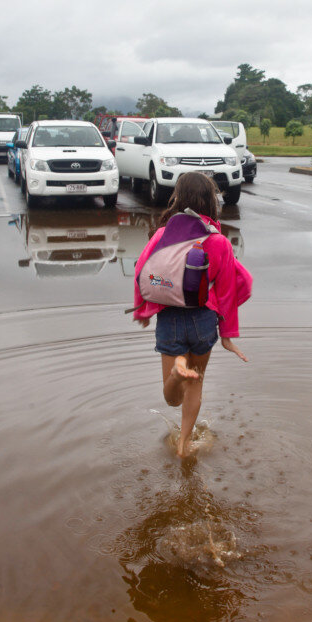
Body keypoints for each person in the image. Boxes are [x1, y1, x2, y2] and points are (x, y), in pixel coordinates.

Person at [133, 172, 252, 458]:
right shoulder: (219, 242)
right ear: (211, 201)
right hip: (203, 321)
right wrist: (227, 336)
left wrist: (143, 309)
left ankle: (177, 370)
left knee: (172, 397)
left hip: (170, 319)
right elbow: (227, 293)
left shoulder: (163, 235)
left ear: (178, 198)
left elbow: (141, 271)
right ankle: (184, 444)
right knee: (196, 385)